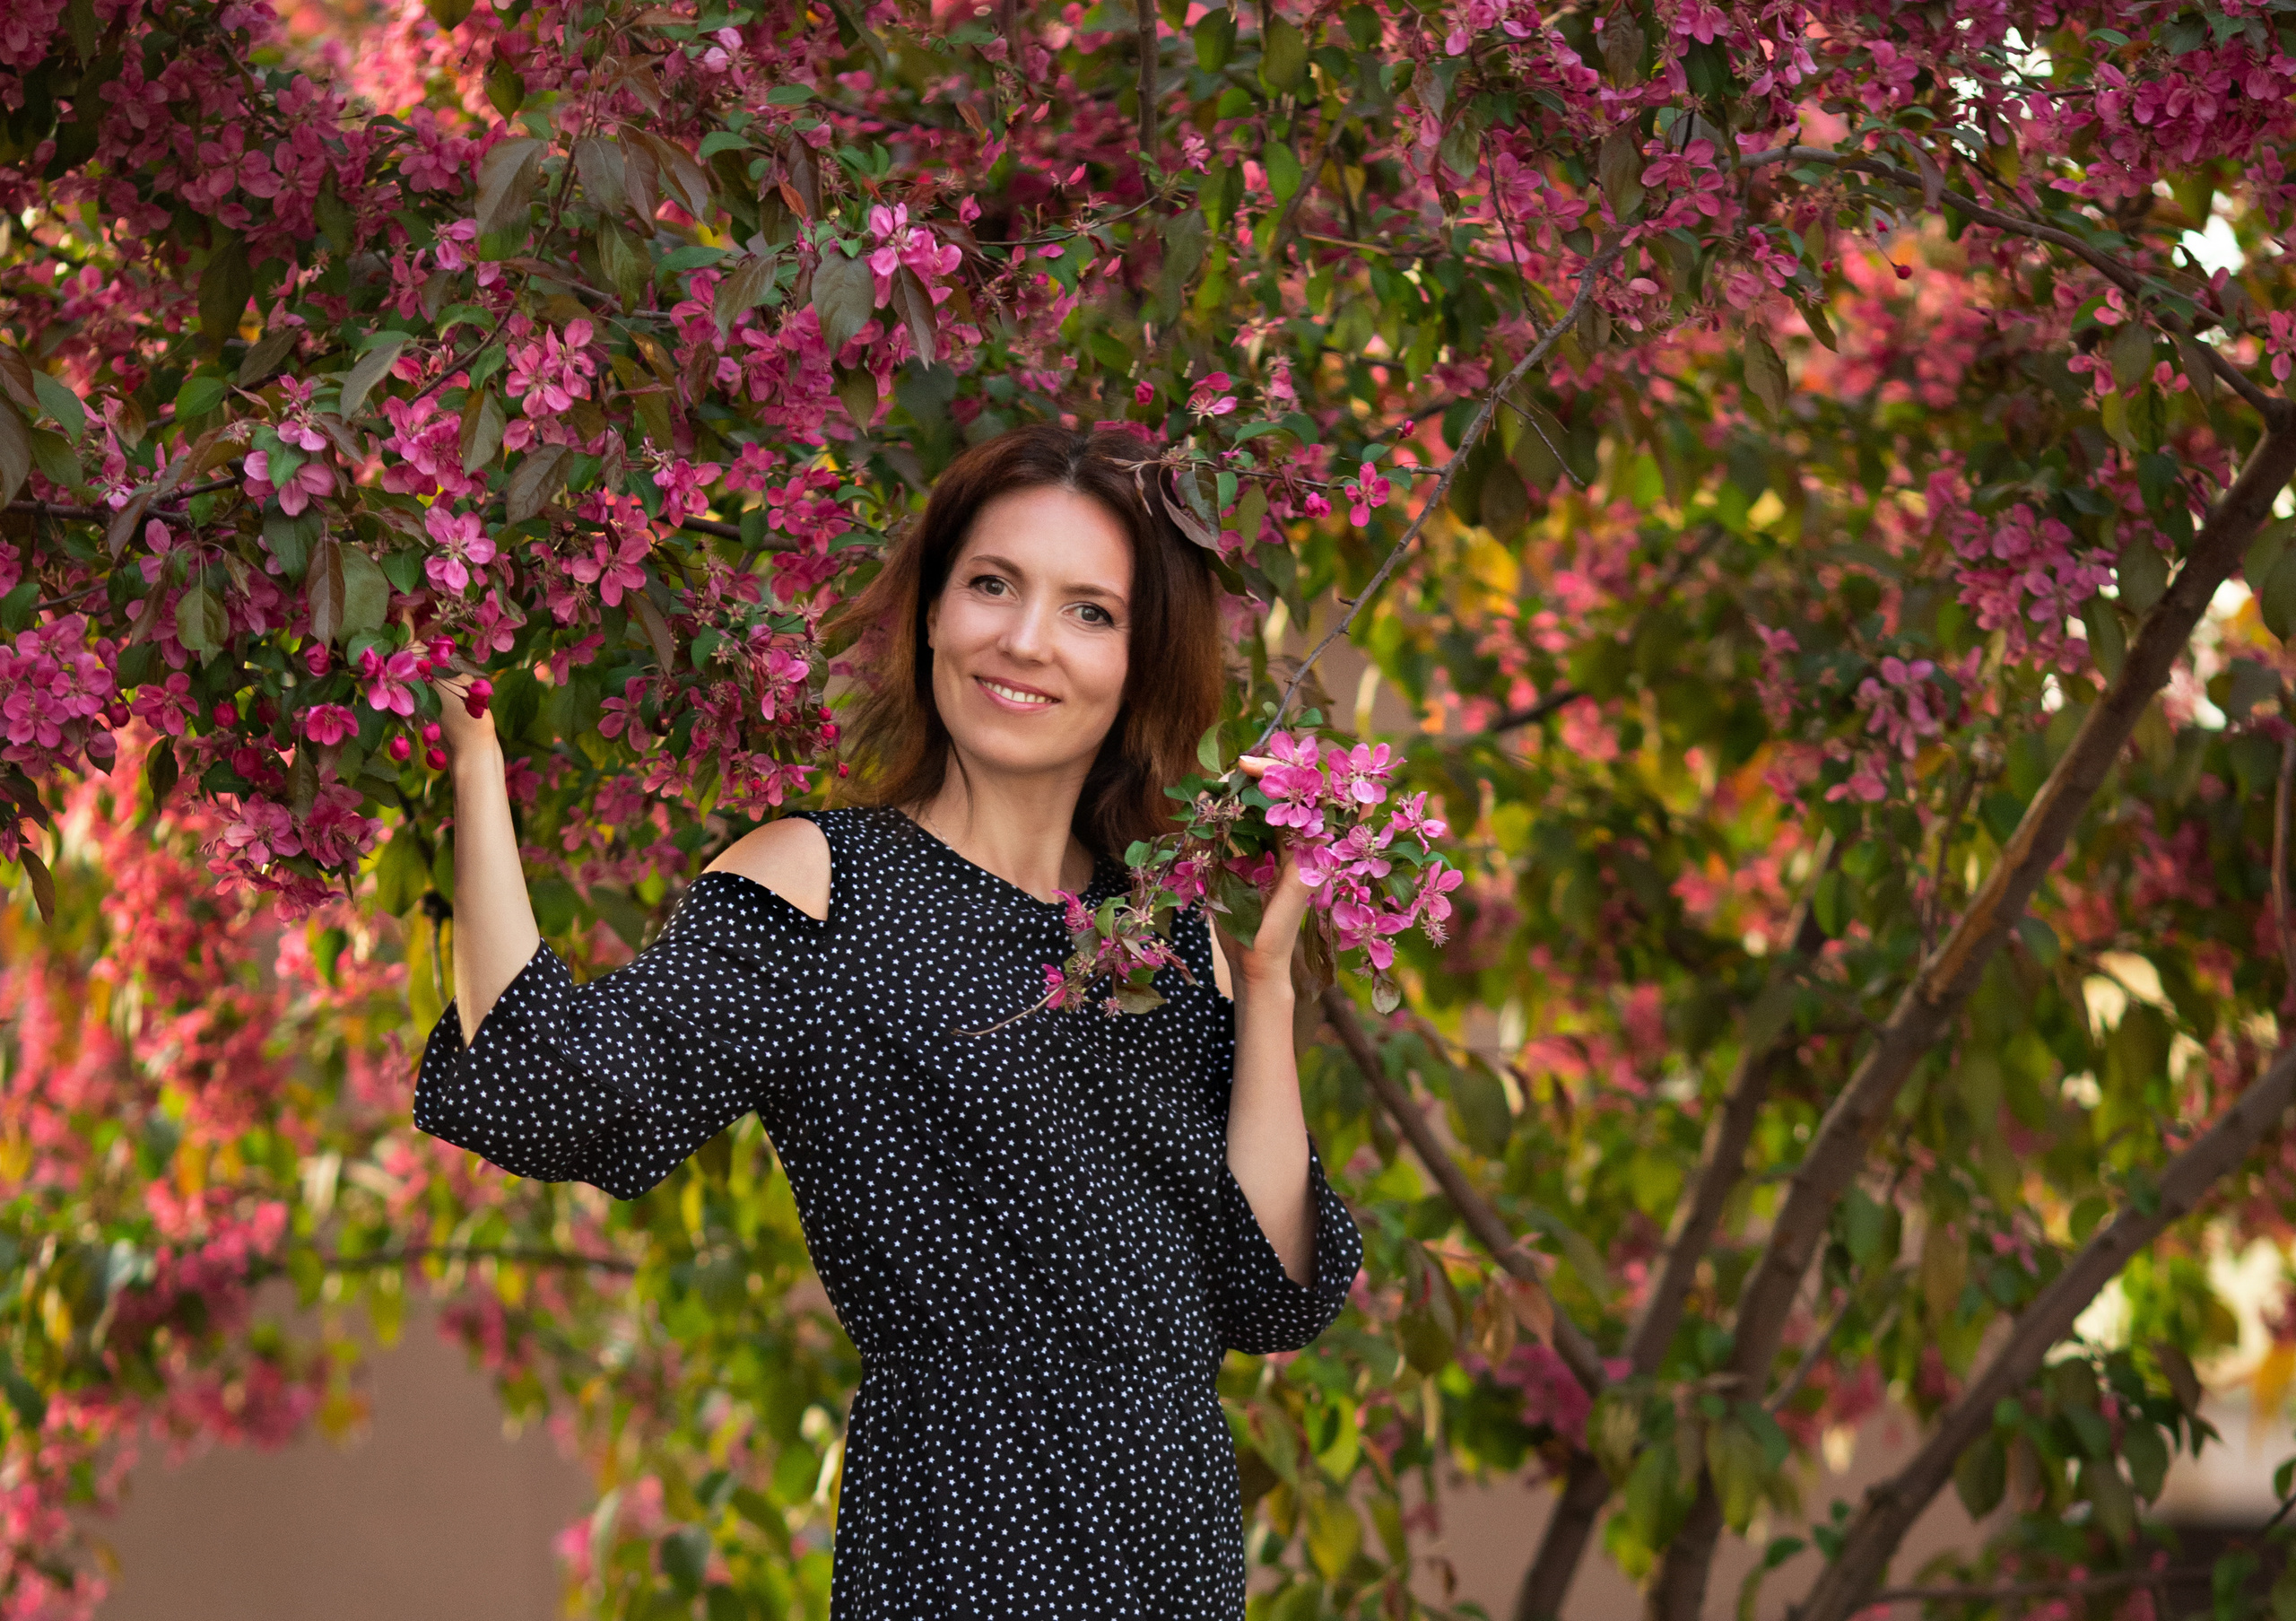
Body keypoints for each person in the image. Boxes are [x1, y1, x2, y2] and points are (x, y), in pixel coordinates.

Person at [413, 423, 1362, 1617]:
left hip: (1176, 1565)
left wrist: (1266, 987)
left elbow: (1271, 1292)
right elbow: (553, 1094)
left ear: (1140, 663)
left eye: (1089, 612)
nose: (1026, 640)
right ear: (931, 615)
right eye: (992, 585)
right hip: (963, 1549)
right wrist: (476, 755)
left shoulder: (1165, 936)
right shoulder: (823, 883)